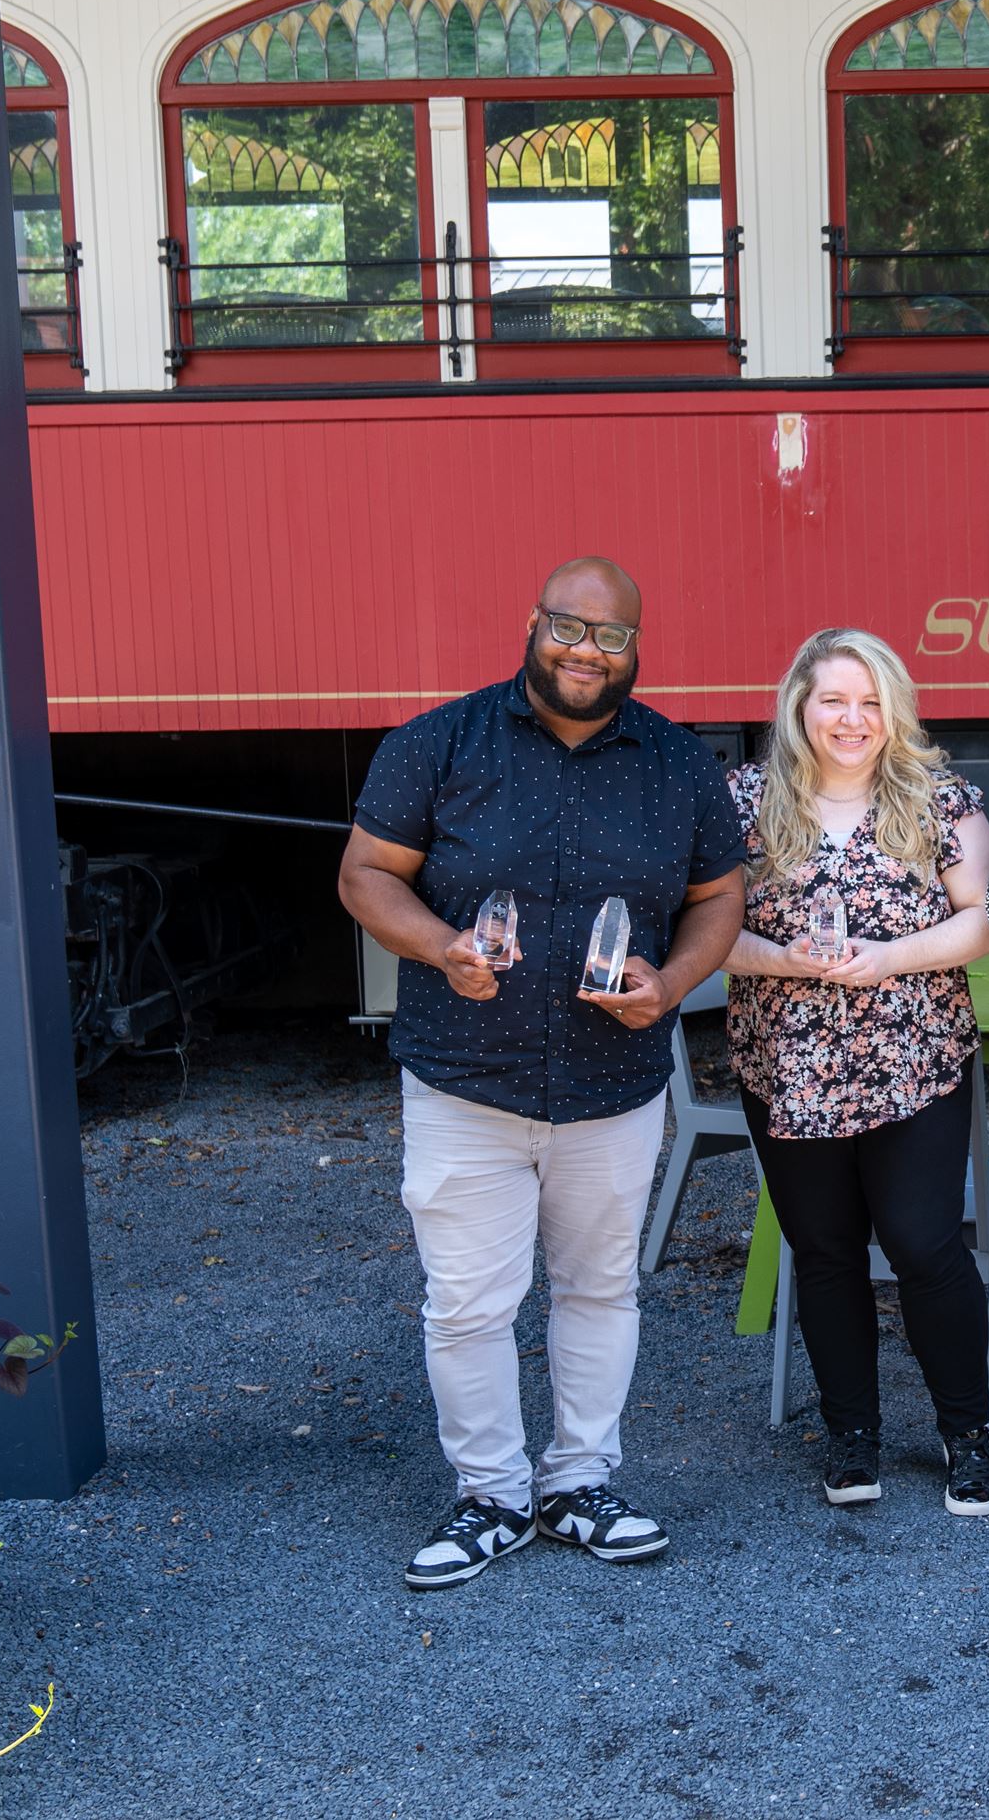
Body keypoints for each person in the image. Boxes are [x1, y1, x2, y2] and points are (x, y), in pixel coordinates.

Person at [339, 556, 746, 1591]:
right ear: (532, 623)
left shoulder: (678, 763)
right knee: (468, 1303)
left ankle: (578, 1480)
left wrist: (674, 979)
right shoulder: (436, 743)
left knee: (600, 1287)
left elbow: (717, 899)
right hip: (464, 1076)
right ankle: (491, 1495)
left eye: (611, 636)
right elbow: (365, 875)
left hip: (614, 1080)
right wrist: (440, 948)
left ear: (635, 648)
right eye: (569, 626)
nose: (586, 649)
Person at [723, 629, 989, 1516]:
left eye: (870, 701)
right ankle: (853, 1437)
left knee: (924, 1245)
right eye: (834, 700)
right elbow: (708, 938)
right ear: (799, 707)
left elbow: (984, 922)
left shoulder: (939, 800)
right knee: (827, 1252)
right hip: (789, 1064)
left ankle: (967, 1434)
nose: (853, 719)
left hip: (911, 1060)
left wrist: (891, 958)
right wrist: (788, 962)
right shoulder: (742, 803)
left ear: (895, 710)